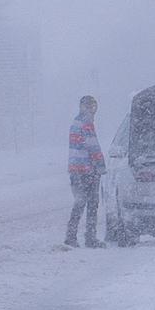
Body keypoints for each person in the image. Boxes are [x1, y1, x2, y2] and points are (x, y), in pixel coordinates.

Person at [65, 95, 106, 248]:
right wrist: (101, 165)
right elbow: (93, 146)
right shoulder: (86, 124)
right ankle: (90, 237)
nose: (93, 110)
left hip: (75, 169)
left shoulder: (75, 122)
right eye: (91, 107)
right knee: (92, 203)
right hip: (88, 169)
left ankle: (71, 235)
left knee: (79, 202)